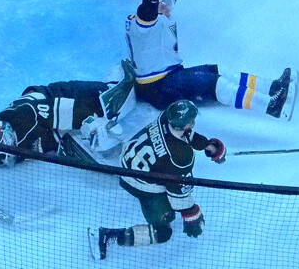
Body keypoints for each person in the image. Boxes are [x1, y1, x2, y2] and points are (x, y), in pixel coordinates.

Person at [125, 0, 298, 120]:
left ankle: (273, 87)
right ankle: (271, 106)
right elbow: (146, 14)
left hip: (171, 73)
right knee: (218, 84)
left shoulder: (161, 6)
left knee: (220, 70)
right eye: (161, 5)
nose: (168, 7)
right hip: (157, 86)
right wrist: (152, 0)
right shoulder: (141, 26)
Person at [0, 60, 137, 196]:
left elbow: (74, 110)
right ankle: (67, 140)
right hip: (53, 131)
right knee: (90, 156)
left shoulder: (26, 117)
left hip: (58, 95)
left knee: (112, 102)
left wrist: (94, 125)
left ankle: (116, 74)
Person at [88, 99, 225, 260]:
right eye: (192, 121)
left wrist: (206, 145)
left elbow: (183, 135)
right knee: (163, 231)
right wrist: (191, 214)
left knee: (165, 177)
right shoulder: (181, 156)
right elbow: (178, 192)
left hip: (126, 161)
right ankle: (109, 235)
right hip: (140, 185)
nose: (194, 123)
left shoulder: (165, 118)